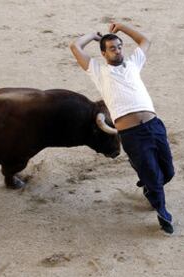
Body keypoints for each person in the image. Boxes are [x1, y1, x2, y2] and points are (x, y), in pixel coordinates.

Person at [69, 23, 175, 234]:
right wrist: (92, 35)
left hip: (154, 126)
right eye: (112, 48)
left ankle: (148, 185)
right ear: (103, 53)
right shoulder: (98, 71)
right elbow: (74, 46)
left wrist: (123, 28)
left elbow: (145, 41)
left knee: (168, 171)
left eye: (119, 47)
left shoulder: (134, 63)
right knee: (153, 175)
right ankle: (163, 213)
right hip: (132, 134)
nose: (117, 51)